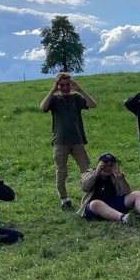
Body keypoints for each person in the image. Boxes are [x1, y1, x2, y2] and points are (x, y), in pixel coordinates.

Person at [40, 72, 96, 211]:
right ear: (58, 85)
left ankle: (89, 198)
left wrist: (80, 90)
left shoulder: (76, 98)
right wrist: (53, 90)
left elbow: (92, 105)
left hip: (77, 140)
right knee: (61, 172)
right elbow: (43, 107)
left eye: (67, 85)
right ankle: (64, 201)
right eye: (62, 85)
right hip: (60, 141)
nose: (65, 88)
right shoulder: (54, 99)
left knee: (87, 171)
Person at [79, 153, 140, 223]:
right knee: (96, 203)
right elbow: (84, 187)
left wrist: (119, 175)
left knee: (139, 194)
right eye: (104, 165)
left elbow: (127, 193)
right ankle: (124, 218)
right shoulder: (90, 173)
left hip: (113, 202)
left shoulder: (114, 176)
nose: (107, 168)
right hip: (94, 207)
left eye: (111, 166)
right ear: (99, 164)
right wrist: (96, 173)